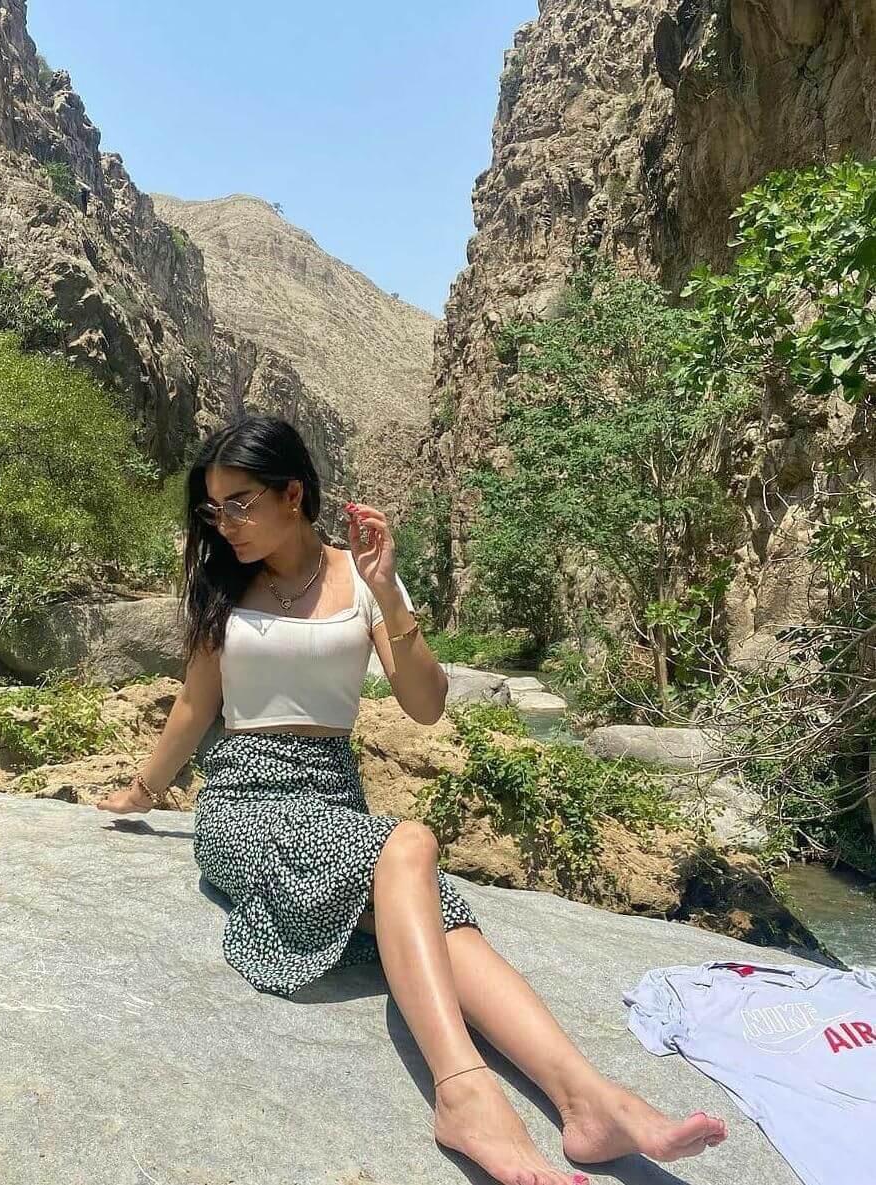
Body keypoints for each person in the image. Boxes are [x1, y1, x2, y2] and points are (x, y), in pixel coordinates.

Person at [96, 414, 728, 1185]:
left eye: (239, 503)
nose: (223, 523)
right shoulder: (224, 586)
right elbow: (197, 705)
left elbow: (425, 705)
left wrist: (388, 593)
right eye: (213, 508)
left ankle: (586, 1099)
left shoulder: (365, 580)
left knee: (439, 913)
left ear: (292, 493)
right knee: (410, 846)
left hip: (332, 799)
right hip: (244, 803)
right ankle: (462, 1091)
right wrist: (143, 789)